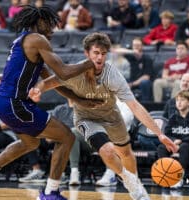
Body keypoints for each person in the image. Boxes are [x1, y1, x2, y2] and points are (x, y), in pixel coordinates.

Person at [0, 6, 98, 200]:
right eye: (49, 22)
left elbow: (54, 80)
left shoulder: (25, 42)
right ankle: (50, 193)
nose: (53, 28)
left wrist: (79, 99)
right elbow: (64, 72)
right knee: (66, 137)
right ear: (38, 22)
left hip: (6, 102)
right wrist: (91, 62)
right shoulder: (37, 39)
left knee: (30, 142)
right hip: (14, 103)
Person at [30, 32, 178, 200]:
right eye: (96, 53)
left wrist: (159, 134)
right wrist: (38, 89)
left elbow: (135, 106)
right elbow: (49, 82)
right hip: (86, 118)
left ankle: (135, 183)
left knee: (126, 153)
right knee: (107, 150)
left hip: (111, 116)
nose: (100, 57)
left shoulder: (113, 75)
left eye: (103, 53)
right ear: (87, 53)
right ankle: (132, 185)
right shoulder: (74, 72)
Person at [157, 90, 189, 188]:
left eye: (182, 100)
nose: (178, 102)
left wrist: (181, 140)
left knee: (184, 146)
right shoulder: (173, 117)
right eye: (177, 100)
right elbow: (167, 133)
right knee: (161, 147)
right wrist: (174, 141)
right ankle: (166, 175)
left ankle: (179, 177)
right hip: (174, 143)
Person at [113, 37, 154, 102]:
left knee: (145, 82)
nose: (136, 47)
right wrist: (131, 51)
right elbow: (115, 51)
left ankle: (146, 104)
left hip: (140, 82)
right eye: (134, 45)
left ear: (142, 46)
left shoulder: (147, 58)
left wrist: (132, 84)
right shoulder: (130, 56)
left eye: (138, 45)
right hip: (130, 80)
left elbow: (146, 77)